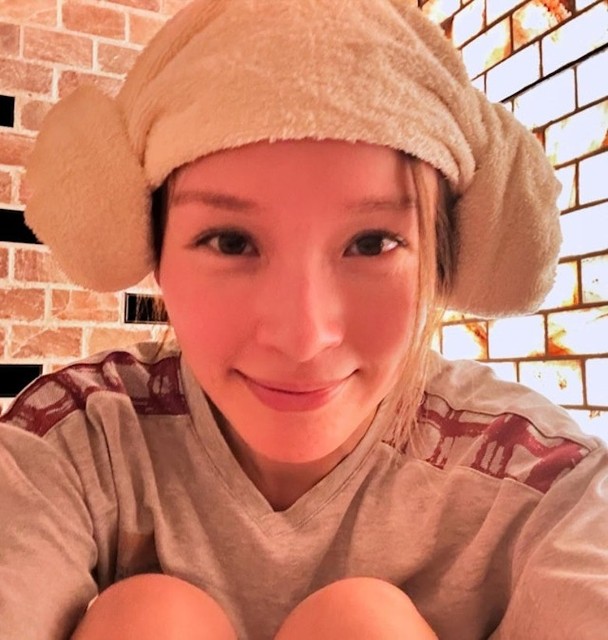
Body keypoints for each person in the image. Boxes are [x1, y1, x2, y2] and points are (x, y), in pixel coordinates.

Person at [0, 0, 606, 638]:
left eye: (371, 243)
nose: (302, 336)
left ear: (442, 259)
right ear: (152, 253)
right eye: (231, 242)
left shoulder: (535, 482)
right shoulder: (80, 439)